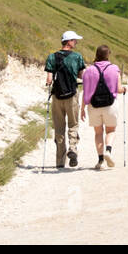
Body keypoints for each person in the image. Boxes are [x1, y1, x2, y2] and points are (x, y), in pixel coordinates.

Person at [44, 31, 85, 169]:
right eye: (75, 40)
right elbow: (81, 75)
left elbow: (49, 79)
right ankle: (72, 148)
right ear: (69, 41)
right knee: (73, 124)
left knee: (59, 128)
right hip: (72, 95)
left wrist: (50, 84)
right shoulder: (77, 57)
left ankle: (60, 161)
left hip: (57, 96)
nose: (76, 43)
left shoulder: (51, 57)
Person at [80, 44, 124, 171]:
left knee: (98, 133)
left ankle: (100, 161)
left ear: (97, 55)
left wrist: (82, 108)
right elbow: (119, 89)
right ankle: (108, 151)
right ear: (108, 55)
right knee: (111, 131)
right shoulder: (114, 69)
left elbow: (85, 91)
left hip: (93, 106)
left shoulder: (89, 70)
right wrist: (124, 89)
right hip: (110, 105)